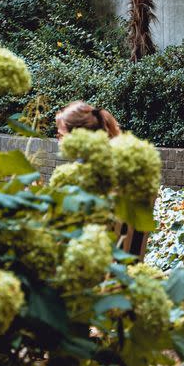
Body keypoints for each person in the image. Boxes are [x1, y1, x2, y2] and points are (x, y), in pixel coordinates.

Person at [54, 99, 149, 258]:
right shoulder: (127, 170)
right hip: (126, 266)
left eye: (61, 135)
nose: (59, 140)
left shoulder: (84, 176)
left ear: (78, 136)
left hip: (93, 267)